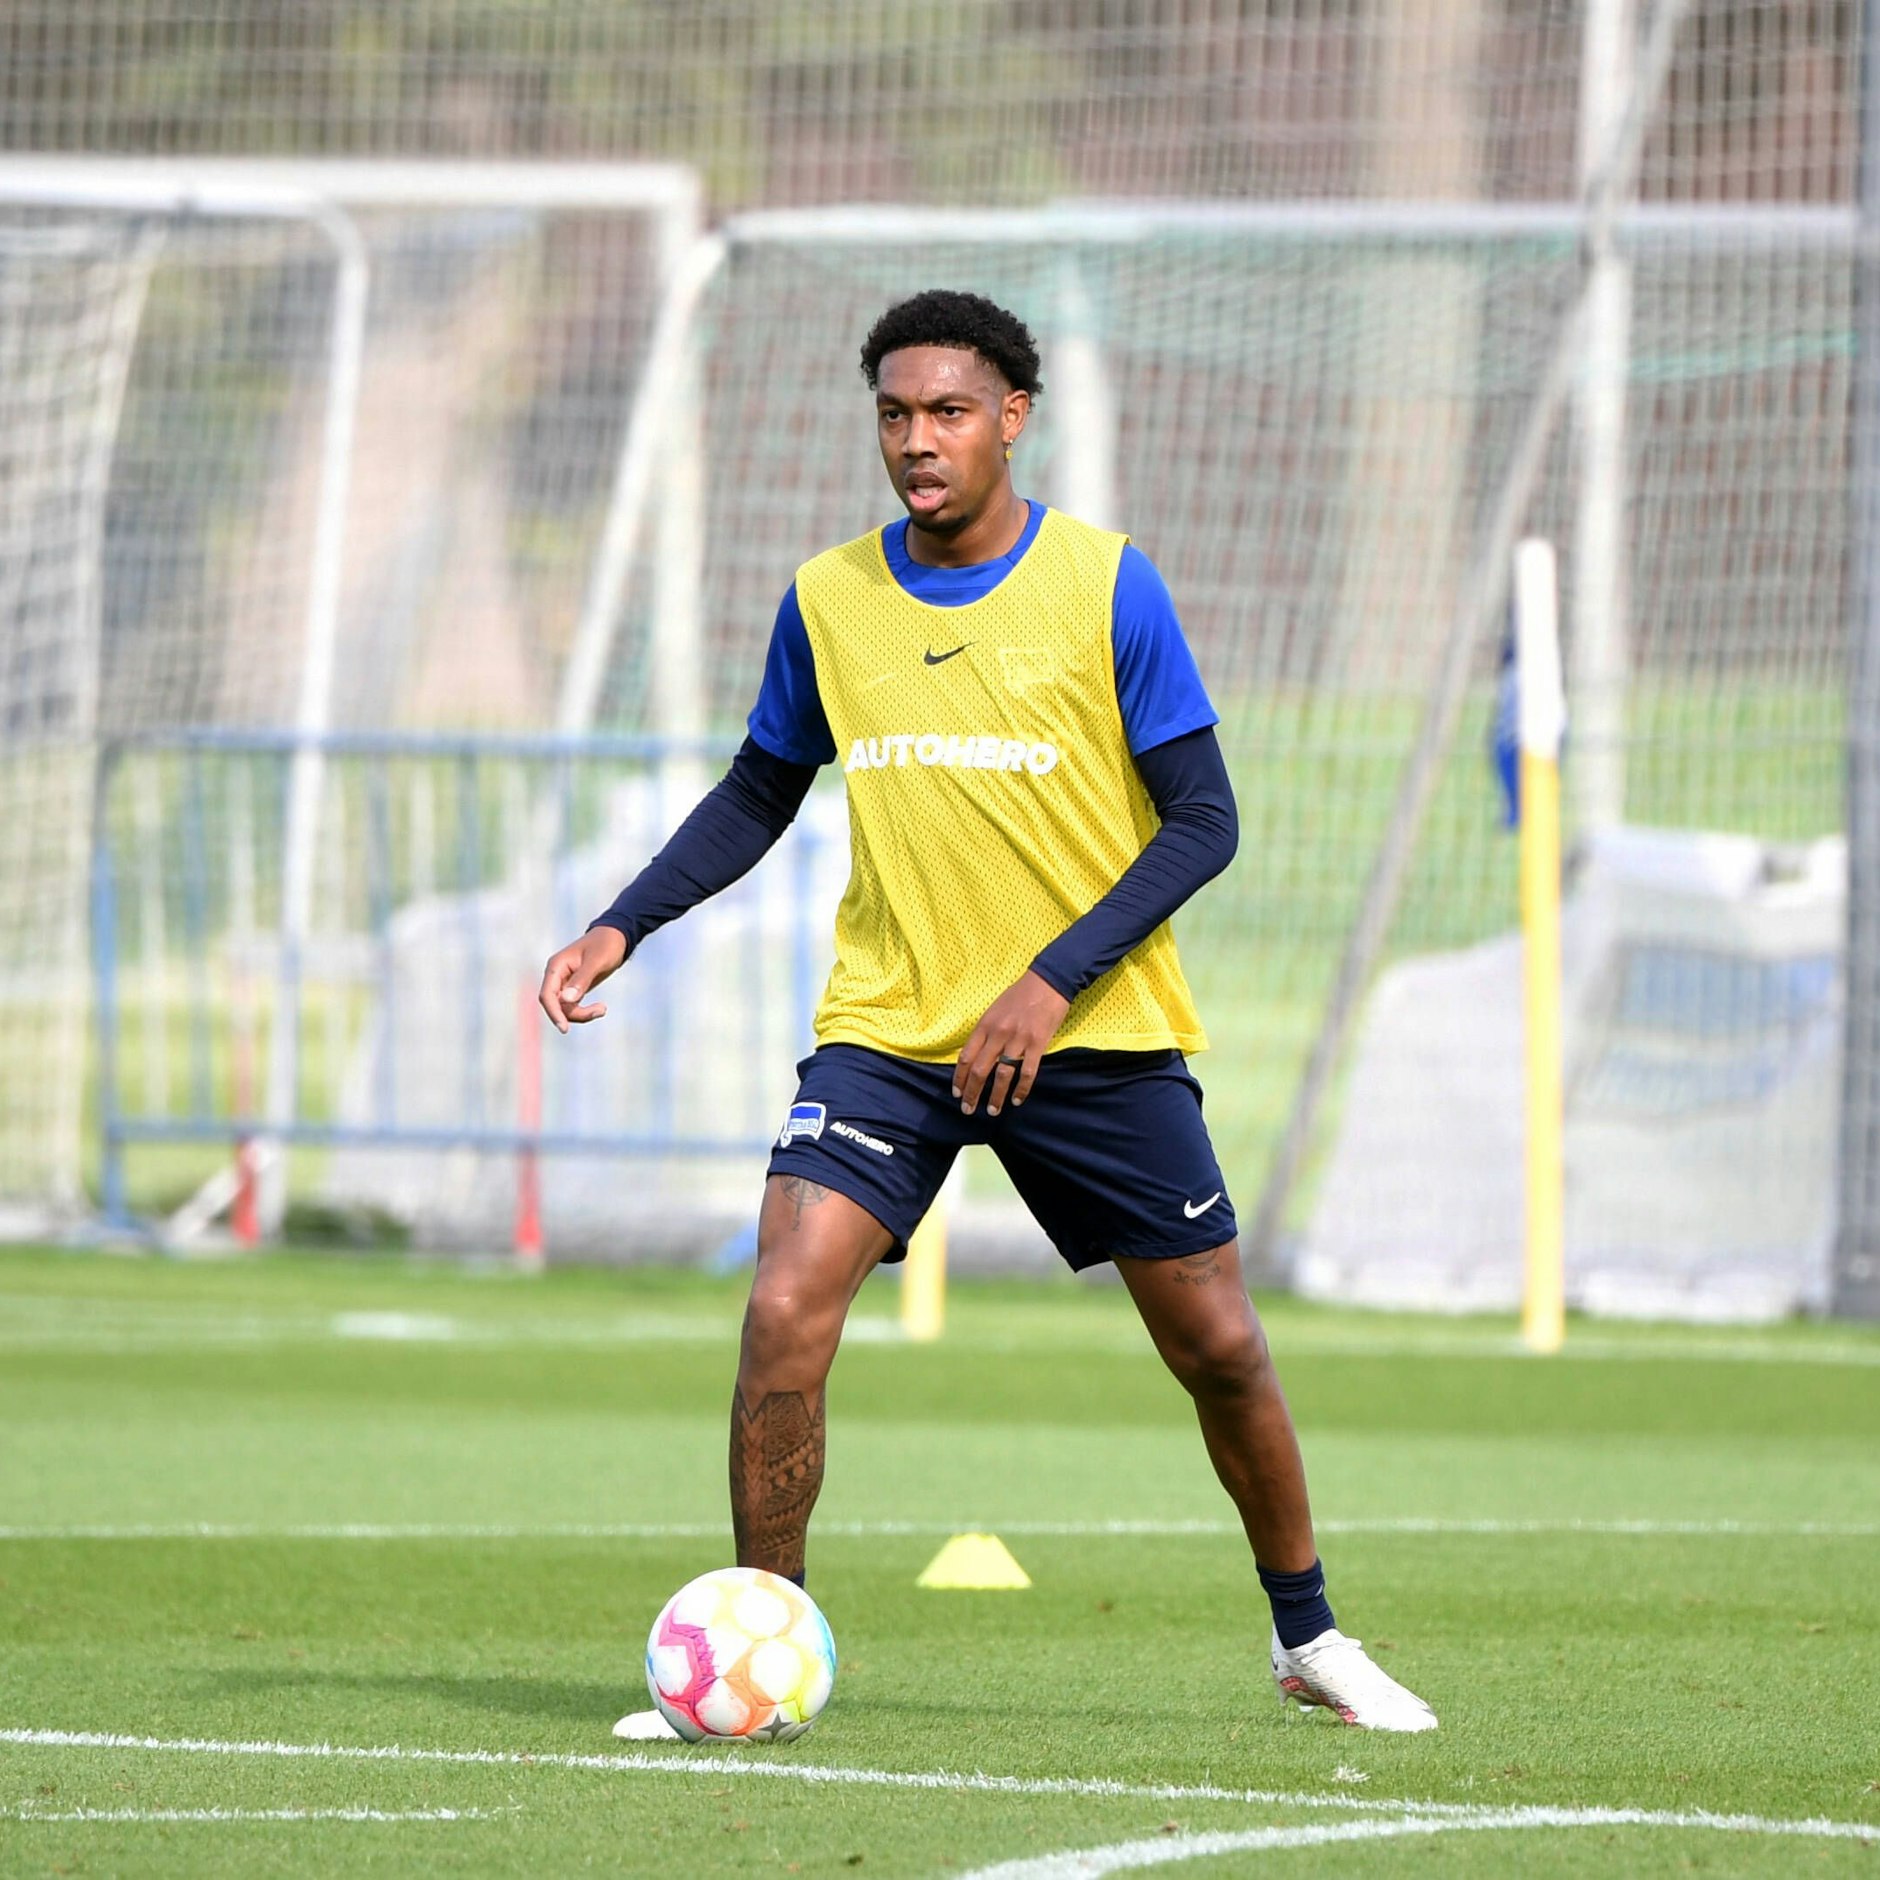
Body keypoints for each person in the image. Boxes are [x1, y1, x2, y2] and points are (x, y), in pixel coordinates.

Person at [539, 289, 1436, 1736]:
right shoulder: (829, 597)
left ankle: (1310, 1635)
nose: (917, 440)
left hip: (1090, 1031)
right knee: (782, 1310)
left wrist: (1048, 979)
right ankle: (767, 1648)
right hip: (893, 1032)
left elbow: (1204, 823)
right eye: (894, 414)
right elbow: (763, 788)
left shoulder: (1106, 584)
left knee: (1218, 1346)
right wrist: (620, 920)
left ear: (1014, 416)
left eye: (948, 411)